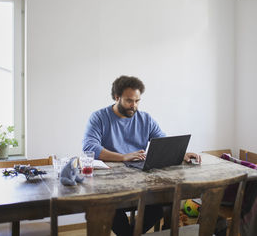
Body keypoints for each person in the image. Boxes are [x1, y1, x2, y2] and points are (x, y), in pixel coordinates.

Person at [82, 75, 200, 236]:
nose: (134, 106)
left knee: (164, 200)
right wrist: (123, 157)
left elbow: (163, 141)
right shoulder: (99, 117)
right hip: (109, 185)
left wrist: (182, 153)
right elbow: (90, 147)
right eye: (129, 101)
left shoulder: (145, 119)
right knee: (104, 206)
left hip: (141, 182)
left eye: (137, 101)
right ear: (117, 98)